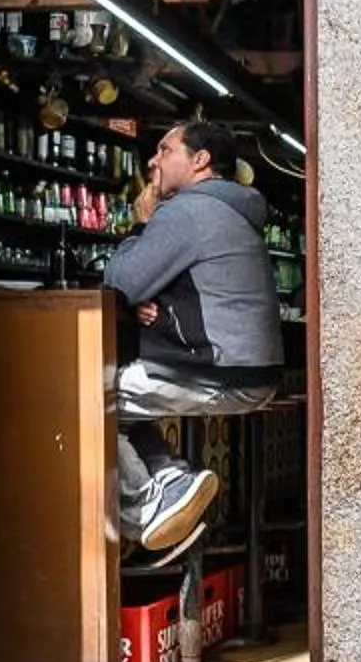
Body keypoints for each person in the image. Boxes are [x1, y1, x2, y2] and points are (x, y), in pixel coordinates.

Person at [100, 116, 285, 559]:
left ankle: (149, 504)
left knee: (90, 398)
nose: (153, 160)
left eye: (165, 150)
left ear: (199, 160)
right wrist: (152, 298)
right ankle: (168, 483)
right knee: (124, 400)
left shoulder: (187, 210)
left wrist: (143, 224)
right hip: (251, 372)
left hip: (216, 372)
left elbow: (120, 278)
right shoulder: (233, 210)